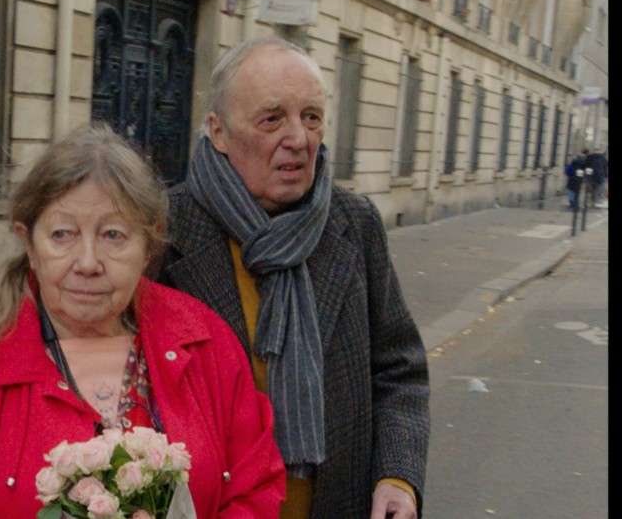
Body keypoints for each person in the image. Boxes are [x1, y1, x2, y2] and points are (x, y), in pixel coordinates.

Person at [0, 122, 286, 518]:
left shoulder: (206, 340)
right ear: (29, 243)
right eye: (62, 234)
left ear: (148, 244)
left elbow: (255, 487)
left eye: (113, 235)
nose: (87, 263)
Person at [154, 37, 430, 519]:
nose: (299, 139)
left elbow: (399, 369)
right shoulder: (163, 231)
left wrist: (397, 478)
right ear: (218, 132)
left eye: (312, 117)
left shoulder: (354, 224)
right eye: (271, 118)